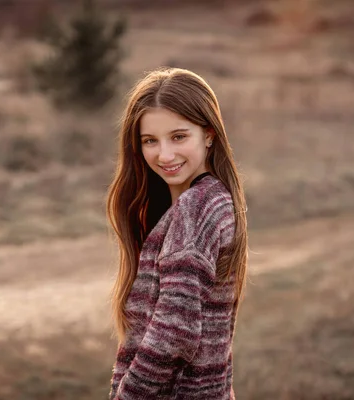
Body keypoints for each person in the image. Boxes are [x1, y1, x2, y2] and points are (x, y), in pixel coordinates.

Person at [106, 67, 248, 399]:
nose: (164, 154)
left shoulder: (196, 207)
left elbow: (176, 331)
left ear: (209, 134)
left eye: (179, 137)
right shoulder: (211, 200)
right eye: (150, 141)